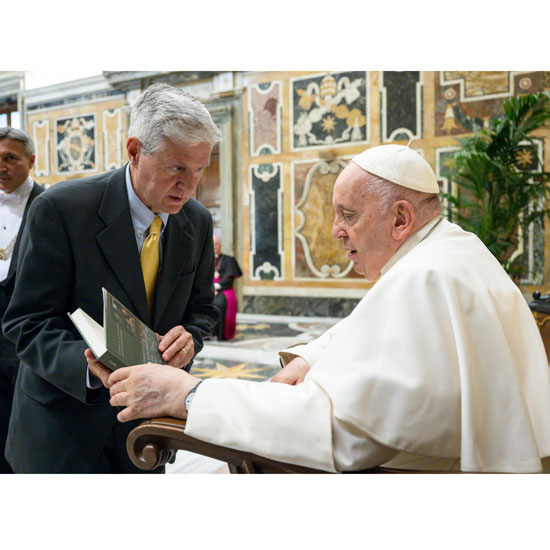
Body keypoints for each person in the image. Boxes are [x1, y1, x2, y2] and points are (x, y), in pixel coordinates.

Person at [100, 144, 550, 473]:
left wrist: (188, 394)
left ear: (399, 219)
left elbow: (337, 431)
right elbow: (366, 328)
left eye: (347, 215)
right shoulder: (451, 248)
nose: (334, 231)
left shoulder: (425, 276)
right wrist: (310, 357)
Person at [2, 83, 221, 473]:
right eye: (177, 168)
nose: (190, 186)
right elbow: (27, 322)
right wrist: (89, 369)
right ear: (135, 151)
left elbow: (203, 309)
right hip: (62, 428)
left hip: (145, 432)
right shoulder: (62, 209)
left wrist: (190, 338)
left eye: (200, 169)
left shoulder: (197, 222)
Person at [0, 128, 43, 474]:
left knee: (24, 433)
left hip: (25, 342)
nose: (1, 166)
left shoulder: (50, 207)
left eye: (9, 158)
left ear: (30, 160)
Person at [212, 234, 242, 340]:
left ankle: (220, 334)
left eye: (216, 244)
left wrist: (215, 287)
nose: (214, 247)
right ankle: (207, 334)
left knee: (219, 303)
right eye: (212, 245)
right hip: (209, 289)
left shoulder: (228, 260)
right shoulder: (205, 260)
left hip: (224, 289)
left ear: (220, 245)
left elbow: (229, 280)